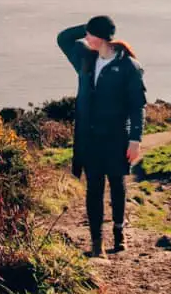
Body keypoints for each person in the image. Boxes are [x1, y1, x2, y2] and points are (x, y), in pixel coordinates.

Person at [56, 15, 147, 257]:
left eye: (90, 34)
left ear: (103, 37)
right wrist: (88, 26)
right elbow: (63, 38)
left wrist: (135, 140)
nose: (85, 37)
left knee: (117, 185)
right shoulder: (85, 58)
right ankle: (96, 244)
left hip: (117, 137)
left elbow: (137, 106)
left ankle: (119, 232)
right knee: (93, 188)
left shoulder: (129, 67)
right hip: (89, 138)